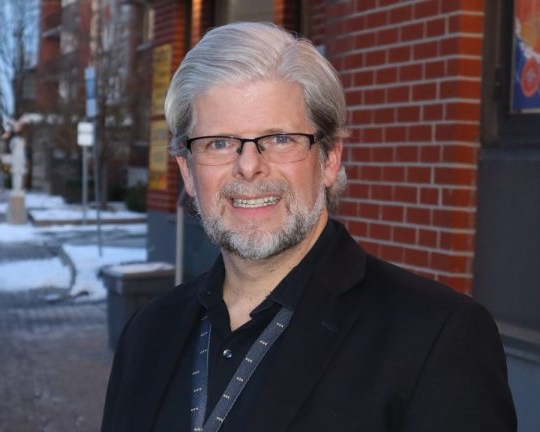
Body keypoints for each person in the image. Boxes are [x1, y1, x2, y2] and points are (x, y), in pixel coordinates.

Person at [101, 22, 516, 432]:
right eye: (220, 143)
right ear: (188, 173)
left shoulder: (436, 339)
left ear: (330, 158)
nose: (248, 166)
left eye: (280, 139)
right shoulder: (147, 334)